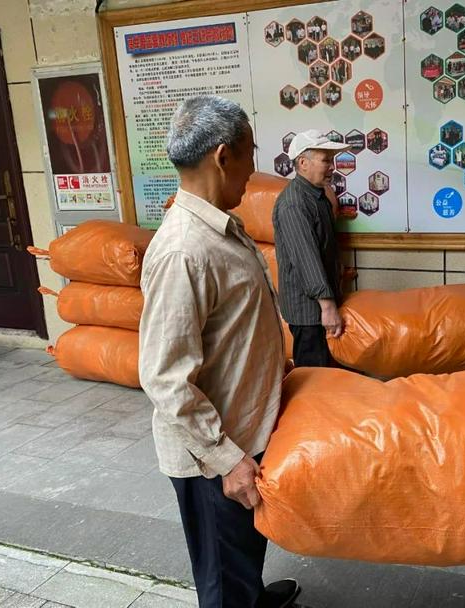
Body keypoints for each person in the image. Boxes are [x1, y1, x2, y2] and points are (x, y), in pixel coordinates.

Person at [138, 95, 300, 608]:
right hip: (211, 451)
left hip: (242, 426)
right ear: (224, 155)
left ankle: (248, 593)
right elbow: (165, 376)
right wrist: (226, 460)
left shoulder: (220, 228)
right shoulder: (185, 250)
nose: (255, 169)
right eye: (252, 153)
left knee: (243, 544)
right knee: (222, 575)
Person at [273, 129, 348, 367]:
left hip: (321, 304)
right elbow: (306, 259)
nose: (331, 167)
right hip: (309, 310)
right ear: (303, 163)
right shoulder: (294, 203)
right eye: (325, 160)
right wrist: (327, 306)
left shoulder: (316, 196)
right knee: (314, 375)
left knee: (330, 373)